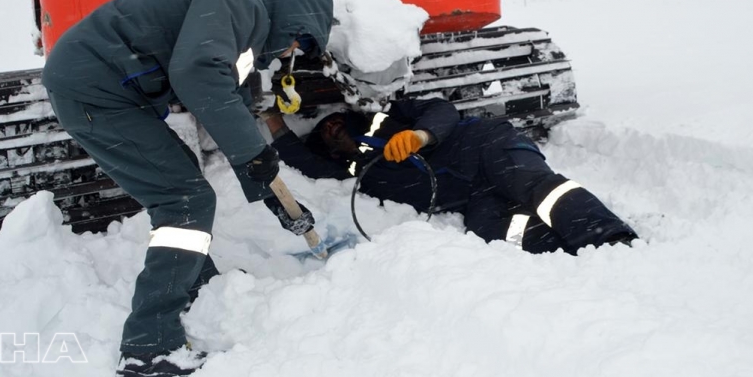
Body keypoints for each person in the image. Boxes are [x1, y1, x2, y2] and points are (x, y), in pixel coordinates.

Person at [41, 0, 333, 377]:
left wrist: (266, 188)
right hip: (98, 90)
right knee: (185, 199)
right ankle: (148, 348)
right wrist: (254, 156)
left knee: (184, 190)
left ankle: (200, 289)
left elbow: (231, 106)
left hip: (101, 87)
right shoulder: (241, 4)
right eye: (298, 41)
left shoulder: (243, 28)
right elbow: (198, 75)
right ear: (294, 19)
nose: (290, 52)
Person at [263, 98, 638, 255]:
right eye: (328, 143)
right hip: (471, 197)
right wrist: (272, 121)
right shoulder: (354, 170)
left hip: (487, 148)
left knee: (539, 189)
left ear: (337, 121)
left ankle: (608, 239)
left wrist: (420, 135)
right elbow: (305, 161)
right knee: (494, 230)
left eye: (334, 131)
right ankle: (570, 251)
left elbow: (443, 110)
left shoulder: (389, 113)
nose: (332, 138)